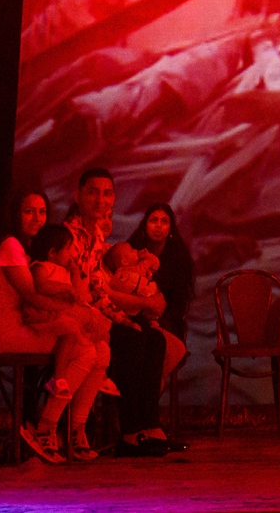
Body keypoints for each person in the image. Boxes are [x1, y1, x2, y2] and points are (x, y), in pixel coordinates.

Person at [0, 189, 105, 463]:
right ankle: (45, 428)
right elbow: (31, 295)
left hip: (26, 325)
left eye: (42, 212)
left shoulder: (23, 247)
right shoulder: (9, 244)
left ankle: (75, 429)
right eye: (29, 211)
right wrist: (76, 311)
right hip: (8, 332)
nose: (37, 218)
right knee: (86, 352)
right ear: (15, 214)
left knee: (102, 351)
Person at [63, 167, 185, 456]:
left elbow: (98, 288)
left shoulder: (95, 235)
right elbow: (84, 290)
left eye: (106, 194)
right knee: (133, 340)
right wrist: (118, 317)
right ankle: (130, 432)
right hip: (77, 316)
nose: (100, 200)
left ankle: (149, 425)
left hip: (99, 312)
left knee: (152, 339)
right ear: (78, 196)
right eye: (93, 192)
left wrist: (121, 317)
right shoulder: (70, 235)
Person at [121, 202, 194, 412]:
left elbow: (178, 303)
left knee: (155, 348)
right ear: (145, 225)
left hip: (168, 322)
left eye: (164, 221)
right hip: (133, 317)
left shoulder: (180, 258)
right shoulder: (130, 252)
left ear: (171, 228)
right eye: (154, 220)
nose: (158, 226)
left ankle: (143, 412)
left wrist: (157, 317)